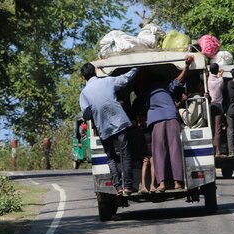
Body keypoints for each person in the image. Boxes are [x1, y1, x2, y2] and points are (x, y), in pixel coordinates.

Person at [79, 63, 139, 195]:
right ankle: (128, 186)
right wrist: (136, 66)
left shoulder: (84, 93)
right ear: (96, 71)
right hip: (119, 123)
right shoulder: (107, 81)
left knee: (111, 157)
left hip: (103, 128)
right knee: (125, 154)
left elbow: (86, 114)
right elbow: (125, 79)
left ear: (84, 77)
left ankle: (118, 187)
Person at [146, 55, 194, 192]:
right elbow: (179, 80)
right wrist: (187, 66)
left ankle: (161, 184)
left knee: (159, 152)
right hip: (171, 118)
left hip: (156, 121)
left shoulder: (147, 92)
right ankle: (177, 182)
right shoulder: (167, 87)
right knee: (174, 149)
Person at [207, 62, 224, 156]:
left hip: (210, 105)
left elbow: (211, 76)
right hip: (218, 105)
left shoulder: (207, 80)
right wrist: (220, 75)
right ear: (217, 70)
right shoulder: (220, 80)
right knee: (218, 129)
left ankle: (211, 150)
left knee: (211, 128)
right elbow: (222, 88)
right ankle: (217, 151)